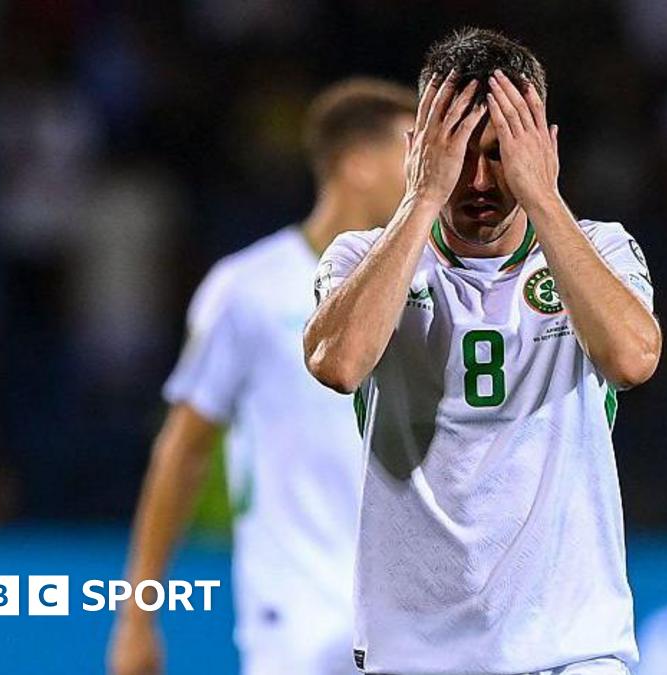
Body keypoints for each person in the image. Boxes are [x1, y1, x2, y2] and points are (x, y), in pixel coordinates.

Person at [304, 27, 662, 675]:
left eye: (500, 154)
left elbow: (633, 358)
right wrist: (420, 200)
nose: (477, 179)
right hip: (415, 652)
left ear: (542, 148)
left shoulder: (599, 250)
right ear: (420, 151)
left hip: (571, 650)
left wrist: (544, 198)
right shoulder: (361, 257)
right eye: (460, 153)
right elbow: (339, 362)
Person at [108, 78, 416, 675]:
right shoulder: (247, 289)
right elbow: (183, 449)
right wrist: (137, 616)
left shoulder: (432, 287)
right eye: (413, 151)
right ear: (356, 164)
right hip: (294, 612)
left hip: (412, 614)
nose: (434, 170)